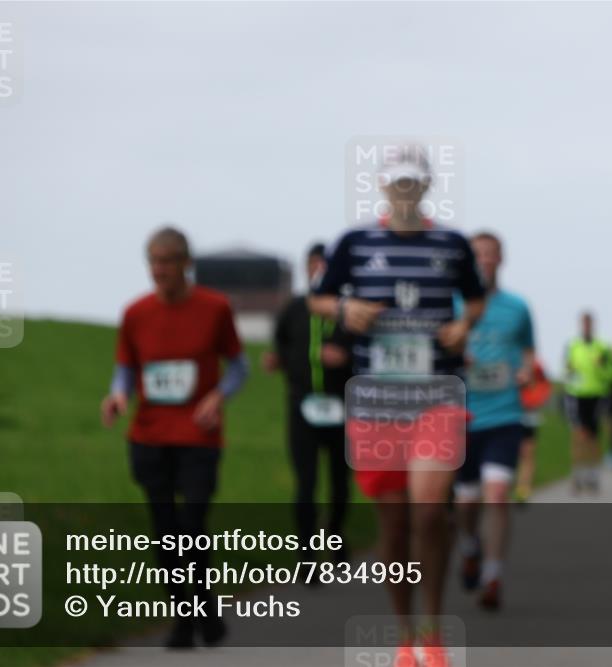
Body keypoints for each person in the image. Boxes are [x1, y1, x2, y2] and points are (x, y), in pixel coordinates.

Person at [308, 144, 485, 667]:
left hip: (437, 395)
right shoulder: (355, 242)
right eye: (397, 183)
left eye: (413, 182)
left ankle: (433, 630)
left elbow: (475, 298)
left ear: (427, 186)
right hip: (377, 400)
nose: (405, 191)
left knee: (428, 511)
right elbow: (317, 297)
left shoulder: (452, 244)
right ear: (383, 186)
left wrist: (464, 324)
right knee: (393, 524)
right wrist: (345, 307)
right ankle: (405, 635)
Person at [101, 226, 247, 649]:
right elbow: (126, 368)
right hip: (150, 435)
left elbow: (239, 366)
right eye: (153, 262)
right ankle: (186, 620)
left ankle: (204, 608)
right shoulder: (135, 313)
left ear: (186, 264)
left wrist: (218, 396)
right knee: (164, 533)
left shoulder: (215, 308)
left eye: (167, 262)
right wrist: (118, 395)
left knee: (192, 526)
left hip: (199, 436)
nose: (159, 270)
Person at [453, 231, 536, 611]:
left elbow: (529, 351)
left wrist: (526, 371)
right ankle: (470, 545)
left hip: (504, 413)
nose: (485, 260)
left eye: (491, 254)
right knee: (466, 501)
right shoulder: (452, 304)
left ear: (501, 259)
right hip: (461, 416)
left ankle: (493, 575)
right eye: (478, 254)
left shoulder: (517, 307)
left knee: (498, 494)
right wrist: (457, 357)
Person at [263, 243, 352, 566]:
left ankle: (335, 534)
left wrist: (346, 358)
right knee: (306, 482)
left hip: (343, 407)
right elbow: (281, 345)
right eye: (313, 265)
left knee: (340, 484)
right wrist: (277, 361)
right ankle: (307, 553)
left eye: (324, 265)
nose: (318, 271)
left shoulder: (350, 311)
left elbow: (368, 354)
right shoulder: (294, 308)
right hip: (303, 406)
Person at [563, 311, 612, 495]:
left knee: (593, 437)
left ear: (593, 325)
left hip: (596, 395)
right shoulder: (573, 345)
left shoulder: (603, 347)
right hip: (576, 395)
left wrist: (601, 366)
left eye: (589, 323)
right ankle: (577, 475)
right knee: (578, 434)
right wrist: (569, 372)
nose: (586, 327)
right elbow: (566, 370)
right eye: (584, 323)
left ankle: (593, 475)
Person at [515, 359, 552, 502]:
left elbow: (544, 385)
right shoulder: (507, 359)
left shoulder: (535, 364)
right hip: (509, 414)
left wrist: (534, 396)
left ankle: (523, 489)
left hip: (529, 415)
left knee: (527, 453)